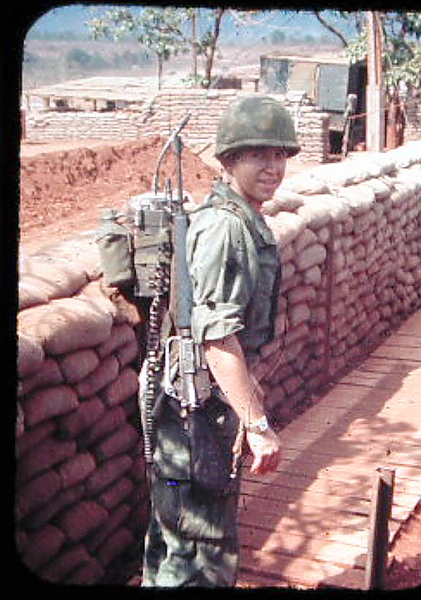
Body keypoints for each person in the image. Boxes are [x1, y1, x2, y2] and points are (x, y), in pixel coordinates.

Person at [141, 95, 300, 587]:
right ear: (229, 160)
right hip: (196, 423)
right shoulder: (226, 227)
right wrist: (257, 424)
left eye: (279, 155)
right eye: (258, 155)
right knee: (200, 549)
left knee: (176, 529)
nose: (272, 167)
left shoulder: (239, 217)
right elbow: (216, 338)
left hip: (193, 423)